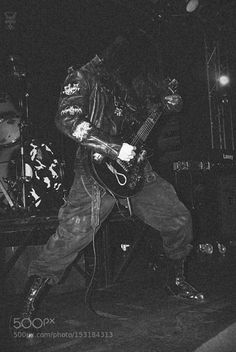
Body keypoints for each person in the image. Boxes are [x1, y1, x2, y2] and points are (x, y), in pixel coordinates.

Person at [13, 35, 205, 335]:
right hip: (96, 171)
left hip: (137, 171)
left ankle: (175, 278)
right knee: (72, 236)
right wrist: (113, 147)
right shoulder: (83, 76)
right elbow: (68, 119)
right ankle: (26, 308)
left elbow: (147, 112)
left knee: (178, 218)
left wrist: (167, 104)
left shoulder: (129, 84)